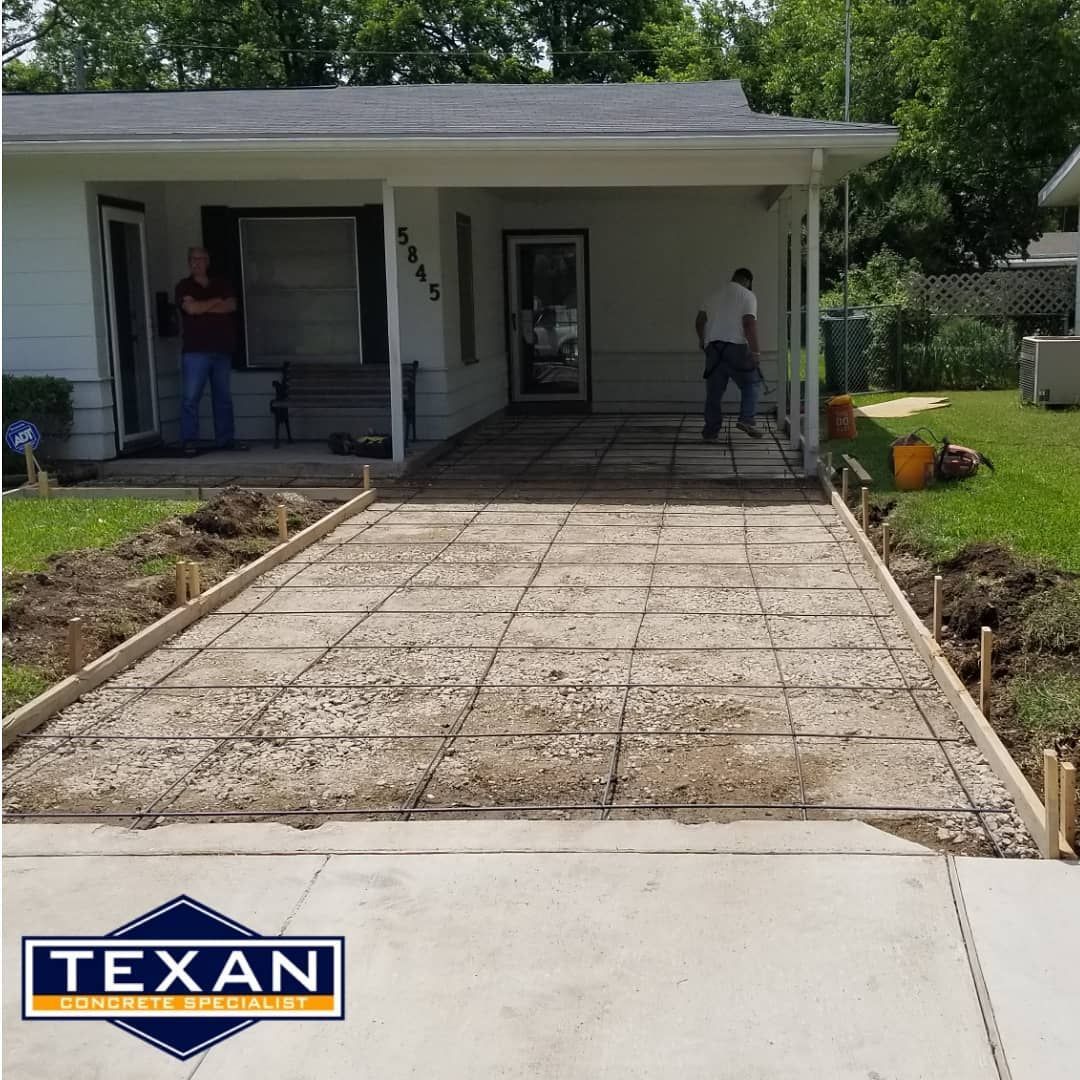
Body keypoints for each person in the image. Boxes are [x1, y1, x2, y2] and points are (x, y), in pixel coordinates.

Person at [175, 247, 245, 455]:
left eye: (201, 259)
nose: (197, 263)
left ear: (208, 261)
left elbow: (231, 306)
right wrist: (215, 301)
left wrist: (202, 305)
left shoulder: (221, 283)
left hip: (222, 348)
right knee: (191, 397)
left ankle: (225, 439)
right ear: (189, 263)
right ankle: (190, 440)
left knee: (223, 397)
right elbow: (191, 309)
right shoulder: (184, 285)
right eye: (193, 259)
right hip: (196, 350)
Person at [695, 267, 764, 440]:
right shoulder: (748, 295)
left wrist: (703, 341)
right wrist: (755, 352)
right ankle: (746, 419)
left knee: (714, 392)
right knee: (752, 383)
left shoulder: (713, 295)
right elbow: (748, 323)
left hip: (714, 348)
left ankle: (711, 431)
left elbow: (699, 321)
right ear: (748, 281)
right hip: (736, 348)